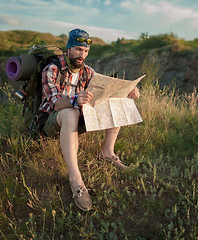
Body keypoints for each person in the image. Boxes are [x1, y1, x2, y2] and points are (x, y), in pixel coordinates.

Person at [38, 28, 140, 211]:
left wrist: (127, 92)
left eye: (85, 51)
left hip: (79, 117)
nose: (81, 55)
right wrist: (74, 100)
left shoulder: (88, 71)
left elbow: (107, 91)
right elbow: (54, 103)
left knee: (115, 102)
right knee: (70, 112)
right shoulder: (52, 69)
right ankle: (75, 179)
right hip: (53, 121)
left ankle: (107, 153)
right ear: (68, 49)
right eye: (78, 49)